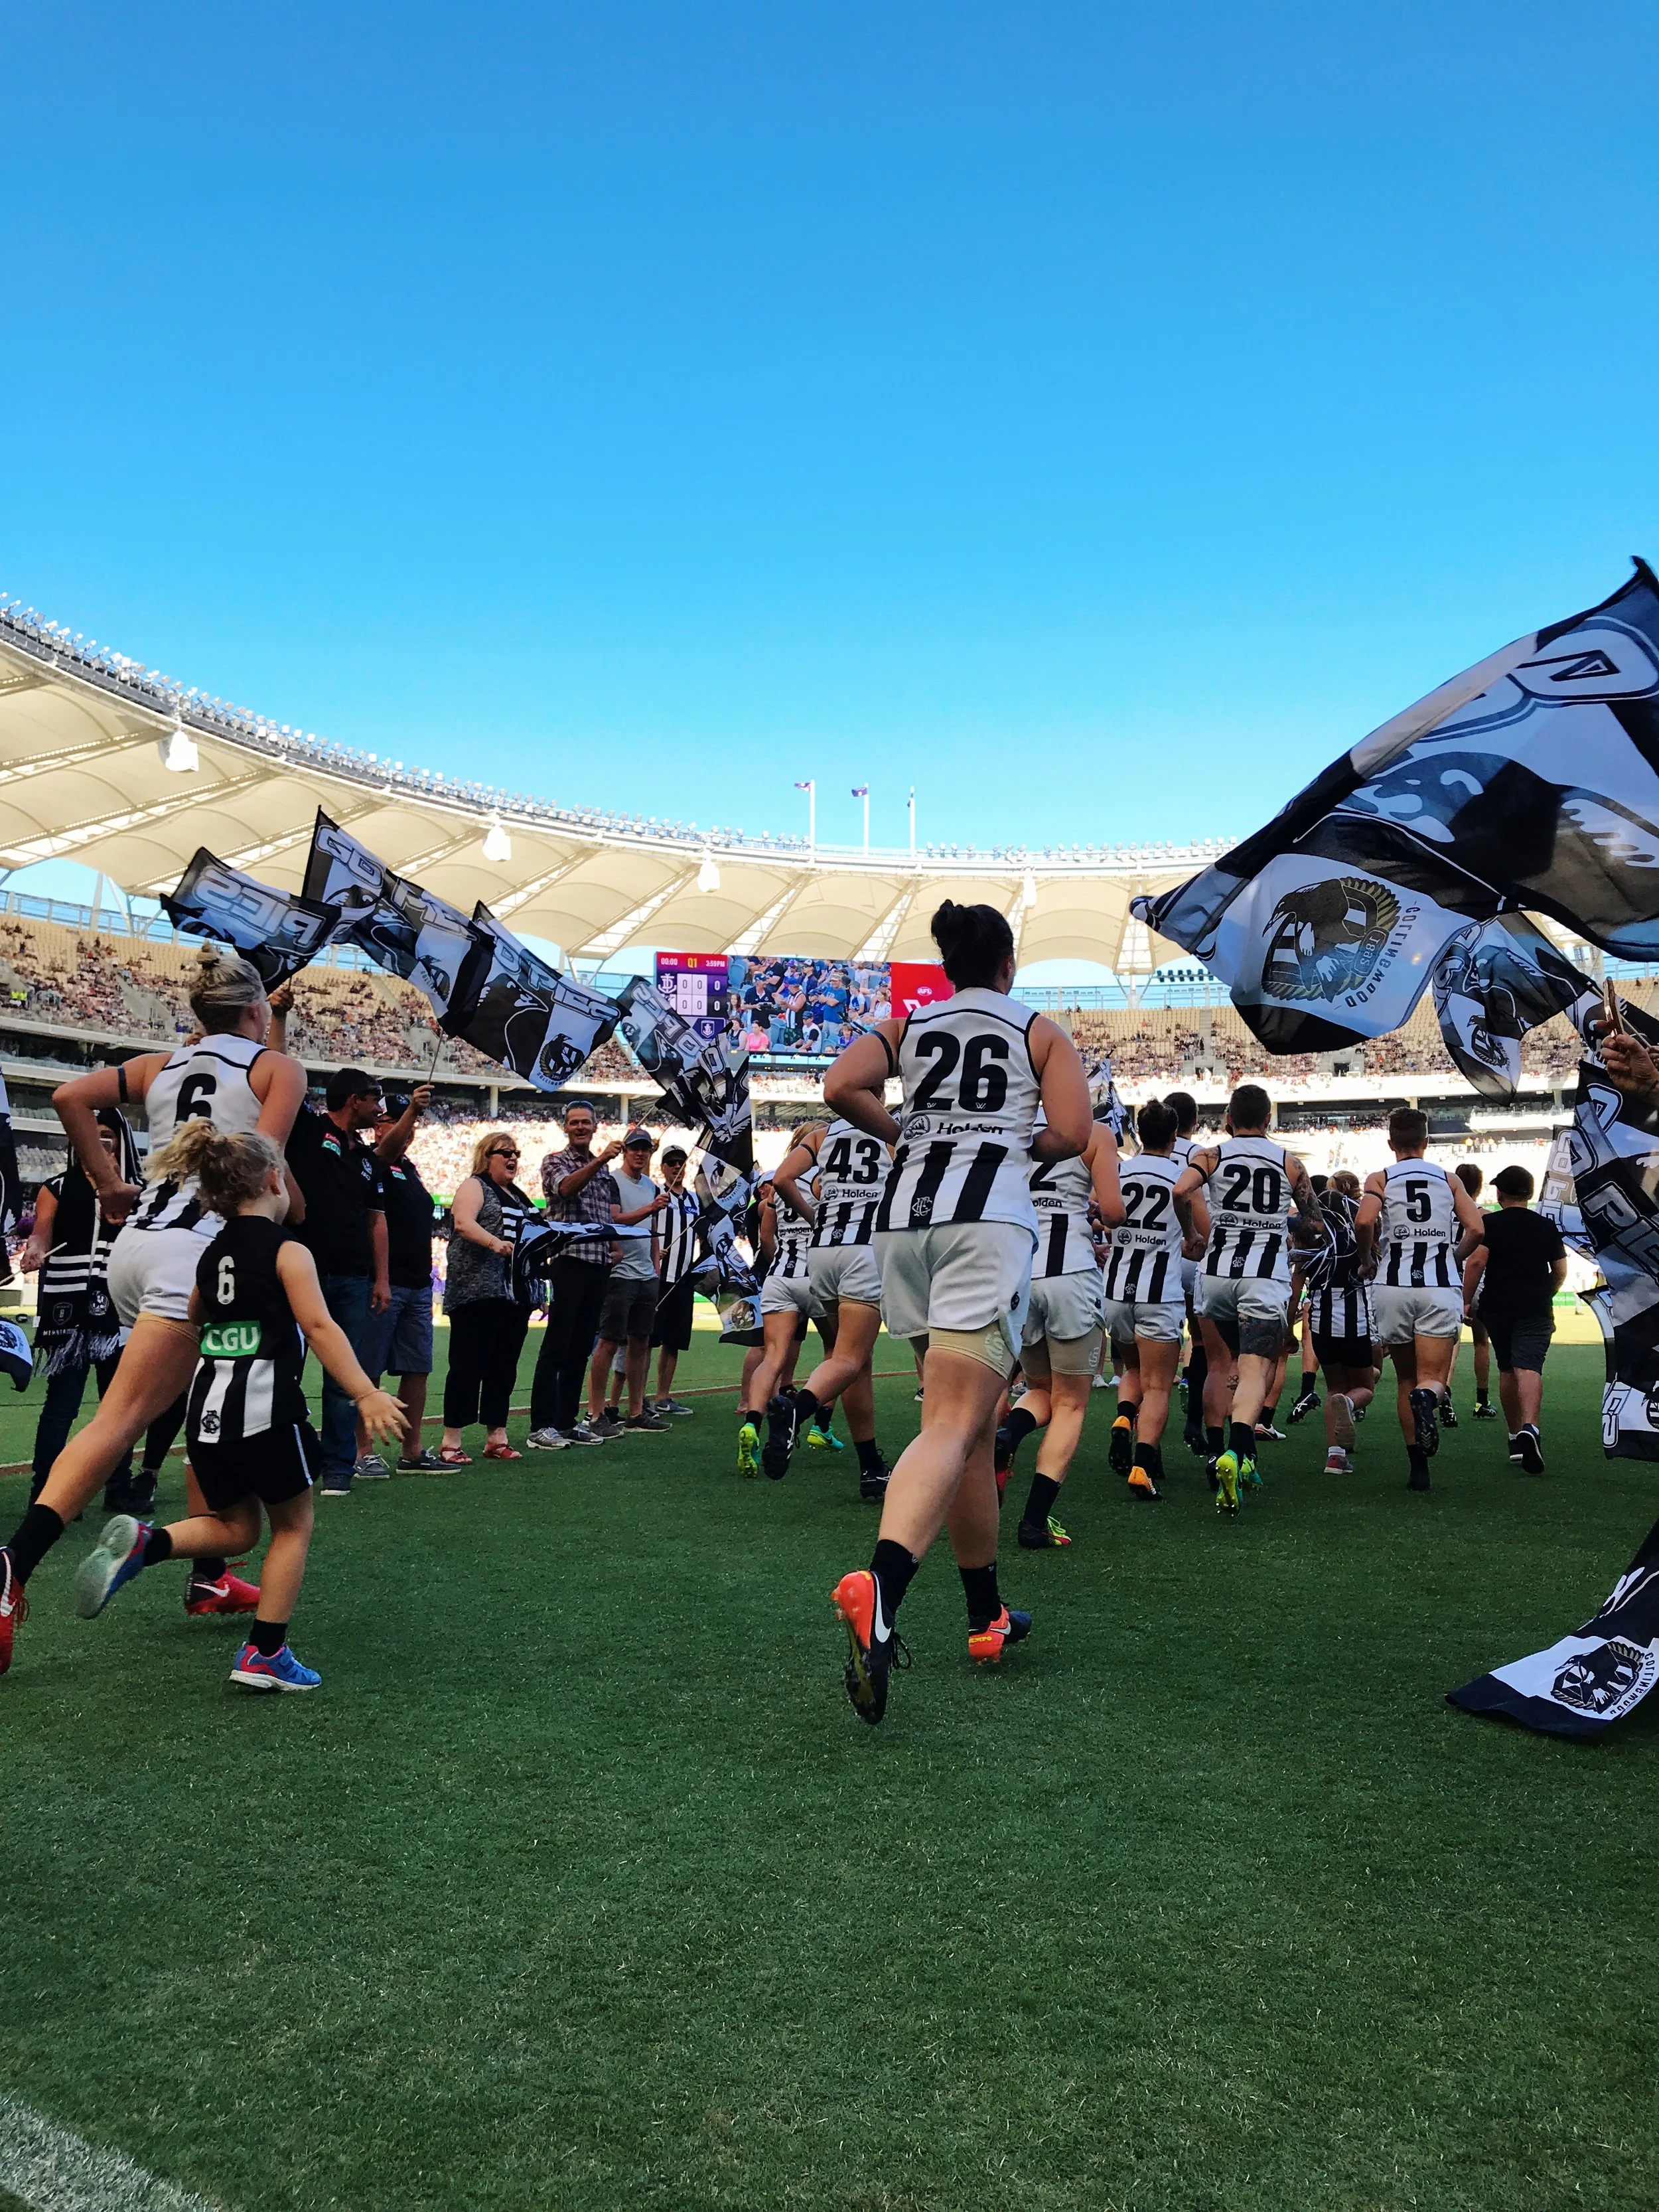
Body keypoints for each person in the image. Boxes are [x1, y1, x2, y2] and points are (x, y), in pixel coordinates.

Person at [0, 946, 307, 1677]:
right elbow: (273, 1173)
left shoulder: (160, 1065)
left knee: (204, 1398)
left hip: (136, 1247)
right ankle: (14, 1563)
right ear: (257, 1009)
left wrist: (109, 1184)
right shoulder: (276, 1068)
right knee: (123, 1419)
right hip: (195, 1254)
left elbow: (73, 1096)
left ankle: (208, 1575)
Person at [826, 899, 1091, 1725]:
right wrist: (1012, 1147)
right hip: (987, 1227)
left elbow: (840, 1085)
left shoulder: (908, 1028)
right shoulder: (1038, 1029)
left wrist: (903, 1134)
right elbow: (1074, 1133)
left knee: (969, 1427)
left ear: (948, 968)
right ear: (1008, 965)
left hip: (904, 1225)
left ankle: (986, 1614)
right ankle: (885, 1585)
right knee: (951, 1419)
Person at [71, 1126, 406, 1691]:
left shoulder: (210, 1254)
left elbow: (197, 1315)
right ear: (275, 1180)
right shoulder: (288, 1250)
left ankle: (150, 1544)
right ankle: (265, 1652)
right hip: (267, 1413)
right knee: (294, 1526)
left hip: (208, 1416)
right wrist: (365, 1391)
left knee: (235, 1527)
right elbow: (319, 1326)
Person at [21, 1110, 206, 1554]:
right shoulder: (58, 1188)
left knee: (123, 1406)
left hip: (119, 1312)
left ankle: (118, 1487)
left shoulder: (141, 1195)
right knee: (61, 1406)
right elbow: (41, 1236)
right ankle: (46, 1491)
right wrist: (35, 1250)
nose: (101, 1146)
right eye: (94, 1139)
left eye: (109, 1138)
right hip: (68, 1312)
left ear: (122, 1143)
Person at [1173, 1084, 1323, 1514]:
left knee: (1222, 1366)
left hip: (1216, 1275)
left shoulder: (1211, 1155)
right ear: (1269, 1121)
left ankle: (1216, 1448)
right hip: (1262, 1277)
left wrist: (1192, 1235)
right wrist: (1285, 1220)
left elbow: (1182, 1192)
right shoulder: (1289, 1162)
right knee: (1256, 1369)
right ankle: (1238, 1453)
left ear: (1228, 1119)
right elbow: (1313, 1223)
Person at [996, 1105, 1125, 1534]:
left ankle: (1008, 1435)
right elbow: (1114, 1210)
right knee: (1070, 1403)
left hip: (1021, 1270)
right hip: (1071, 1270)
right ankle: (1034, 1520)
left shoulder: (1013, 1126)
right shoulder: (1095, 1132)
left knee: (1040, 1390)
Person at [1354, 1106, 1485, 1492]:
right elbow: (1475, 1228)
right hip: (1438, 1286)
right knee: (1431, 1379)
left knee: (1405, 1379)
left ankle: (1418, 1470)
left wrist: (1367, 1259)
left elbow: (1364, 1221)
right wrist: (1453, 1258)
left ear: (1391, 1143)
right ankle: (1429, 1400)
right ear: (1427, 1143)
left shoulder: (1380, 1178)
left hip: (1392, 1286)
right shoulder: (1449, 1180)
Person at [764, 1112, 893, 1497]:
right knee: (849, 1360)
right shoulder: (891, 1131)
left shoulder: (821, 1135)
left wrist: (814, 1217)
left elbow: (782, 1179)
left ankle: (870, 1468)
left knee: (855, 1363)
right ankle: (796, 1411)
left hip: (822, 1252)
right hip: (865, 1250)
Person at [283, 1069, 390, 1496]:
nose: (379, 1107)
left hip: (352, 1276)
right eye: (374, 1098)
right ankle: (283, 1456)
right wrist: (281, 1015)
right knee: (283, 1368)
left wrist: (381, 1278)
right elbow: (279, 1072)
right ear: (353, 1099)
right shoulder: (308, 1131)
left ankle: (339, 1465)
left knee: (343, 1375)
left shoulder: (366, 1159)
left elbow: (376, 1221)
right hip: (301, 1271)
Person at [1092, 1098, 1205, 1504]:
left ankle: (1124, 1417)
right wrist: (1190, 1238)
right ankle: (1142, 1465)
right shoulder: (1183, 1178)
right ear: (1175, 1136)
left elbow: (1101, 1213)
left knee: (1133, 1369)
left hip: (1117, 1289)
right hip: (1160, 1292)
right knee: (1159, 1386)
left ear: (1139, 1133)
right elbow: (1202, 1235)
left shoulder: (1119, 1170)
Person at [1462, 1164, 1567, 1473]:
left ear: (1500, 1193)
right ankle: (1530, 1428)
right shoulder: (1546, 1226)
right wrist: (1546, 1292)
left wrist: (1466, 1301)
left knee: (1507, 1367)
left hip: (1497, 1307)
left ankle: (1513, 1437)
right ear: (1529, 1193)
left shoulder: (1490, 1224)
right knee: (1530, 1367)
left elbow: (1477, 1262)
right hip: (1535, 1306)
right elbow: (1560, 1270)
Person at [528, 1102, 621, 1447]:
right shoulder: (556, 1161)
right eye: (574, 1123)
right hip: (568, 1259)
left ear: (596, 1127)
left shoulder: (605, 1173)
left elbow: (605, 1218)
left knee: (581, 1346)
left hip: (598, 1263)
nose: (580, 1127)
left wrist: (613, 1249)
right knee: (557, 1343)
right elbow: (565, 1189)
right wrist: (599, 1161)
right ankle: (540, 1425)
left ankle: (566, 1421)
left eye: (586, 1122)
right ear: (565, 1128)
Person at [439, 1130, 535, 1463]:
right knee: (467, 1365)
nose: (512, 1158)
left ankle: (497, 1436)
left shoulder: (520, 1196)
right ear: (486, 1156)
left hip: (512, 1295)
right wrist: (496, 1244)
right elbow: (464, 1223)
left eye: (516, 1153)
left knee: (503, 1367)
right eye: (504, 1152)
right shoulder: (474, 1186)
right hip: (477, 1292)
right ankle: (451, 1440)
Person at [365, 1086, 444, 1471]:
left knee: (418, 1366)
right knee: (367, 1369)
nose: (406, 1129)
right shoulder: (370, 1162)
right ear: (378, 1128)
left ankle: (411, 1451)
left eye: (410, 1121)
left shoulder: (409, 1168)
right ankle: (362, 1453)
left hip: (416, 1283)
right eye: (395, 1121)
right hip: (384, 1281)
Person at [587, 1128, 670, 1436]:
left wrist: (655, 1266)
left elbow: (652, 1230)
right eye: (635, 1148)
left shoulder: (651, 1186)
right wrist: (650, 1208)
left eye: (645, 1149)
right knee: (609, 1342)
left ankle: (636, 1411)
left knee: (640, 1344)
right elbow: (614, 1219)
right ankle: (596, 1413)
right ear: (625, 1151)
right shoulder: (612, 1181)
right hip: (620, 1276)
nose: (640, 1153)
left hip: (645, 1275)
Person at [1304, 1169, 1377, 1475]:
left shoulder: (1312, 1236)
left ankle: (1336, 1456)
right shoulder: (1358, 1236)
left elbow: (1298, 1281)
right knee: (1364, 1387)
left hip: (1321, 1320)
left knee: (1334, 1387)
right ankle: (1349, 1406)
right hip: (1354, 1319)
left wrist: (1289, 1323)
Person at [1163, 1090, 1210, 1454]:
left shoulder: (1141, 1155)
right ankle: (1195, 1419)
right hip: (1192, 1254)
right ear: (1194, 1122)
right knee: (1204, 1340)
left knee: (1149, 1355)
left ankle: (1137, 1423)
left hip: (1153, 1258)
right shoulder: (1199, 1156)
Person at [648, 1145, 701, 1418]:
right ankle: (640, 1397)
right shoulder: (656, 1195)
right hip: (658, 1278)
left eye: (681, 1162)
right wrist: (654, 1249)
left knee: (675, 1341)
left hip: (682, 1280)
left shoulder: (693, 1200)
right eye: (671, 1162)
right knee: (648, 1339)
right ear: (663, 1167)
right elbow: (644, 1227)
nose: (677, 1166)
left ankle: (663, 1396)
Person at [1449, 1161, 1497, 1420]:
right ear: (1478, 1186)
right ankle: (1481, 1401)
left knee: (1450, 1341)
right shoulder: (1485, 1215)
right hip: (1477, 1282)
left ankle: (1444, 1391)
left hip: (1447, 1281)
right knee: (1481, 1341)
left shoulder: (1443, 1213)